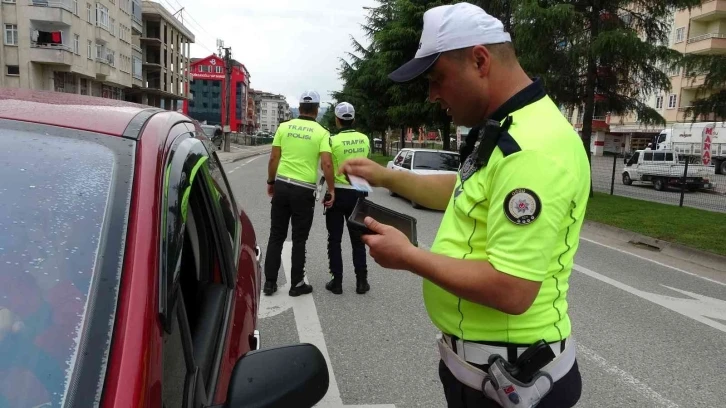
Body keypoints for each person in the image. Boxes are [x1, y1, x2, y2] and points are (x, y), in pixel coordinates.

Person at [338, 3, 589, 408]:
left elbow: (512, 289)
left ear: (479, 60)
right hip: (487, 373)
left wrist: (409, 257)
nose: (432, 94)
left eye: (437, 79)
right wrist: (387, 176)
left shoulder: (532, 148)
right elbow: (466, 188)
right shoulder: (509, 125)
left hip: (515, 383)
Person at [264, 90, 335, 297]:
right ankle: (296, 284)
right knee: (299, 238)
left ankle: (269, 283)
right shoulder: (322, 132)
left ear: (300, 108)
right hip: (304, 190)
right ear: (316, 108)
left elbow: (273, 158)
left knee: (276, 235)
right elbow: (327, 164)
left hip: (282, 185)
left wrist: (271, 181)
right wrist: (331, 189)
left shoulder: (284, 127)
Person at [323, 102, 371, 295]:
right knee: (358, 240)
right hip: (359, 192)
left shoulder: (331, 140)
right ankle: (361, 282)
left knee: (334, 240)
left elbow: (326, 167)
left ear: (337, 119)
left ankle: (337, 282)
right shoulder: (364, 138)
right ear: (353, 119)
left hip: (337, 193)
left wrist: (330, 189)